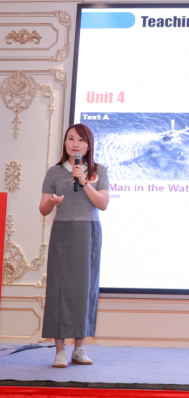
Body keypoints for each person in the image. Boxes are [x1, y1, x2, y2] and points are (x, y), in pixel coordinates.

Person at [39, 124, 109, 368]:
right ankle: (60, 351)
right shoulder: (54, 172)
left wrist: (84, 181)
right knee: (58, 288)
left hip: (88, 232)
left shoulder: (99, 170)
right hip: (63, 232)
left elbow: (103, 204)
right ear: (65, 143)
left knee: (84, 289)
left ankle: (79, 349)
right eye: (70, 139)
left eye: (80, 140)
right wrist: (52, 202)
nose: (75, 144)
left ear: (88, 145)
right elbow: (43, 209)